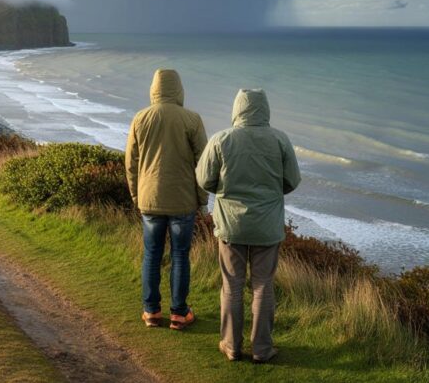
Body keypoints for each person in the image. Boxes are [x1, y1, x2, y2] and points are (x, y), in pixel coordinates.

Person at [196, 89, 301, 363]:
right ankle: (262, 349)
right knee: (263, 285)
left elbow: (204, 179)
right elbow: (292, 180)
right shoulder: (280, 139)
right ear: (264, 110)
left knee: (232, 284)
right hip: (267, 226)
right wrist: (269, 193)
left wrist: (224, 190)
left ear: (237, 109)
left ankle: (231, 346)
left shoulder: (222, 139)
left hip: (231, 225)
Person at [125, 69, 208, 330]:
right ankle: (179, 314)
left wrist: (137, 195)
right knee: (180, 255)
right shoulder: (192, 119)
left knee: (151, 254)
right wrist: (203, 199)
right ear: (179, 90)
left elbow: (131, 162)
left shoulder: (140, 118)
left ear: (154, 89)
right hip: (183, 200)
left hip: (150, 198)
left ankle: (151, 312)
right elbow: (203, 164)